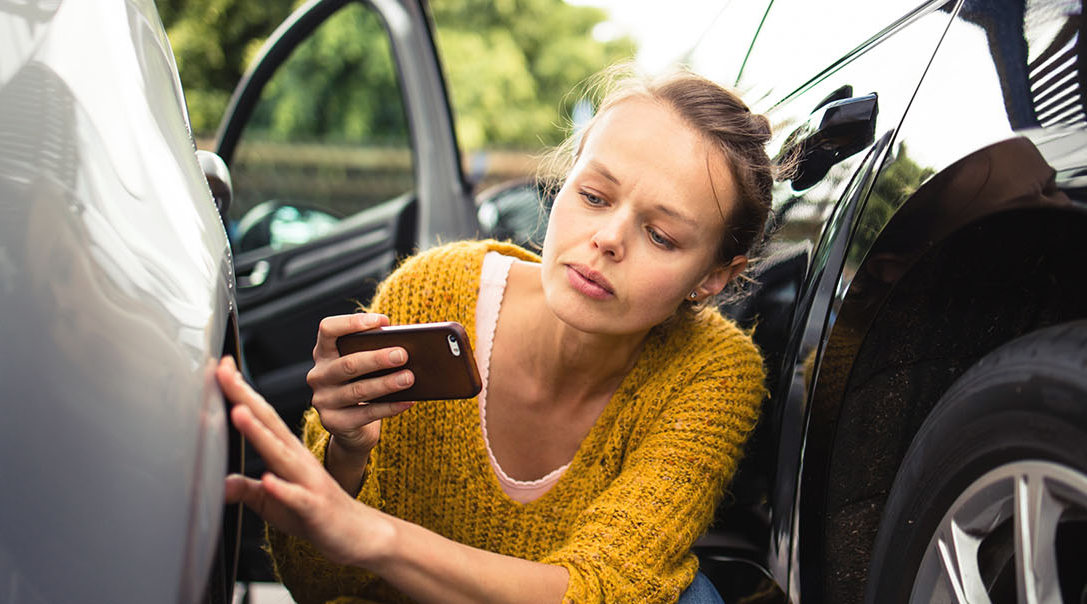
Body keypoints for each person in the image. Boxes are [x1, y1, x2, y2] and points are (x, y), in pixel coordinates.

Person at [219, 67, 775, 603]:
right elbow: (314, 586)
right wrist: (345, 454)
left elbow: (603, 591)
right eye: (593, 196)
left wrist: (375, 536)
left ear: (712, 277)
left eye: (660, 234)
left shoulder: (712, 372)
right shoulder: (433, 291)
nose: (607, 239)